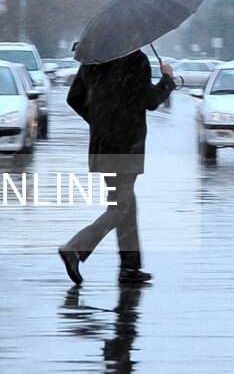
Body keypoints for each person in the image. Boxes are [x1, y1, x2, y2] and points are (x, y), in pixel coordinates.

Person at [59, 49, 176, 285]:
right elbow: (151, 101)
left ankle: (130, 267)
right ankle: (76, 248)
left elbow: (74, 98)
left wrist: (100, 121)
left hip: (104, 145)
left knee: (126, 205)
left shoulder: (94, 59)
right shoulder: (136, 59)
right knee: (121, 207)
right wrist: (168, 79)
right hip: (127, 144)